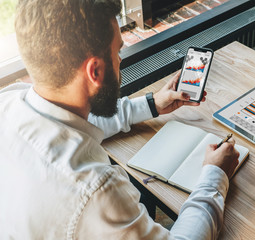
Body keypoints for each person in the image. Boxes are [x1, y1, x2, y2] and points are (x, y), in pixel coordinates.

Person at [0, 0, 240, 239]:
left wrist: (153, 104)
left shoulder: (8, 100)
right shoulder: (96, 192)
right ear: (95, 71)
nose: (120, 60)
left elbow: (82, 122)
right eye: (117, 52)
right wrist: (214, 176)